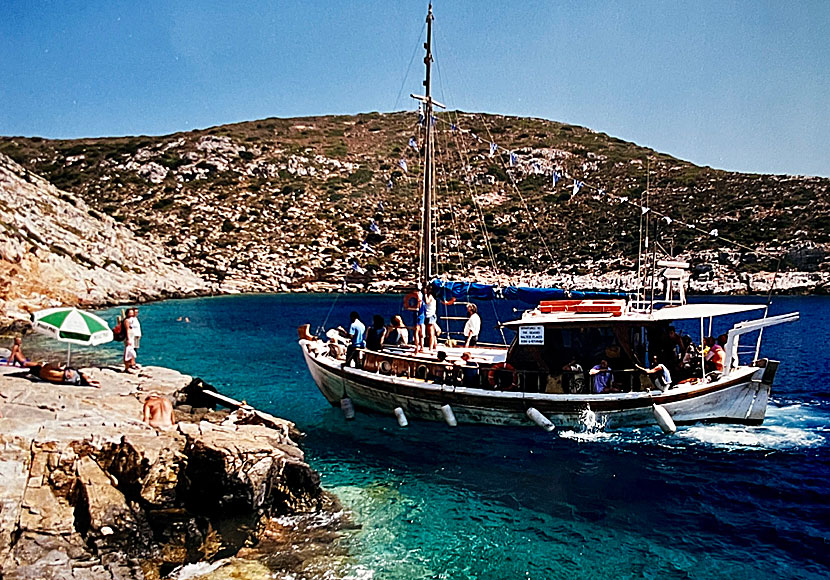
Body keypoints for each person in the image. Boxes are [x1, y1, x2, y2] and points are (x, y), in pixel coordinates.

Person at [30, 362, 100, 387]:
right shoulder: (47, 367)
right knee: (80, 374)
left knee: (80, 379)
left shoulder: (42, 377)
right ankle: (89, 381)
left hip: (66, 380)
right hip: (66, 374)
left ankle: (89, 382)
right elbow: (59, 366)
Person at [423, 286, 438, 352]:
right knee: (432, 332)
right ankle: (434, 345)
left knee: (431, 332)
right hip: (430, 315)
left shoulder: (430, 296)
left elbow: (427, 302)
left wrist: (425, 294)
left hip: (430, 315)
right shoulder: (433, 297)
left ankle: (430, 347)